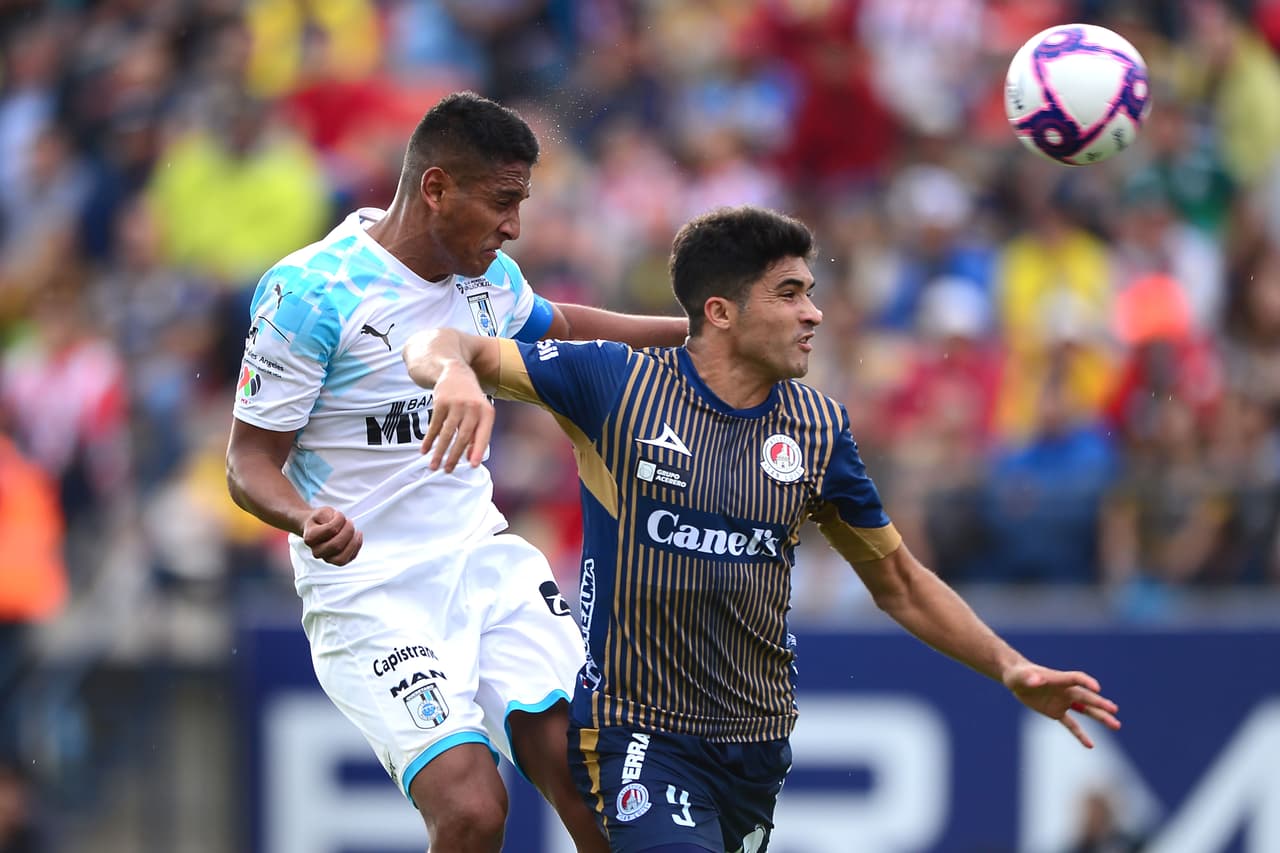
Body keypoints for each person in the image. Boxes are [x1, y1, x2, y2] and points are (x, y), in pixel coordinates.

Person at [403, 205, 1122, 853]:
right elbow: (439, 342)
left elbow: (898, 581)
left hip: (755, 748)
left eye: (810, 292)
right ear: (720, 311)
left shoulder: (817, 429)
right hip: (638, 732)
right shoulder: (615, 384)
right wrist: (459, 374)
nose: (813, 313)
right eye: (789, 293)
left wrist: (1010, 665)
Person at [224, 91, 687, 853]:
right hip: (372, 590)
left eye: (523, 203)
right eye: (503, 202)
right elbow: (248, 460)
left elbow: (566, 328)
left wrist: (697, 338)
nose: (514, 225)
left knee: (598, 777)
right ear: (435, 188)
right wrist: (302, 517)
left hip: (482, 560)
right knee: (472, 808)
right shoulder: (313, 291)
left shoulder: (490, 281)